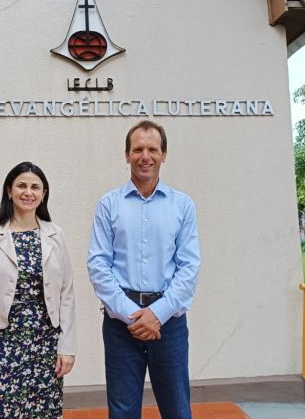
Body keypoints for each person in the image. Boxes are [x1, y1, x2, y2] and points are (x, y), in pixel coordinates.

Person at [87, 121, 201, 419]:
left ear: (164, 154)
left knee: (177, 410)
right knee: (122, 412)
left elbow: (189, 267)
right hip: (120, 323)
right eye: (138, 149)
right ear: (127, 155)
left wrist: (157, 314)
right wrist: (133, 315)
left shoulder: (183, 205)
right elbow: (98, 264)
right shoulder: (108, 204)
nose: (145, 156)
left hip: (169, 323)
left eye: (153, 149)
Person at [0, 161, 76, 419]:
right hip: (0, 341)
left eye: (35, 187)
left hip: (44, 342)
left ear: (43, 194)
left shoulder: (55, 234)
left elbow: (67, 294)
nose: (28, 192)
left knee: (41, 412)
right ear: (9, 190)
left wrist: (67, 347)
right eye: (21, 186)